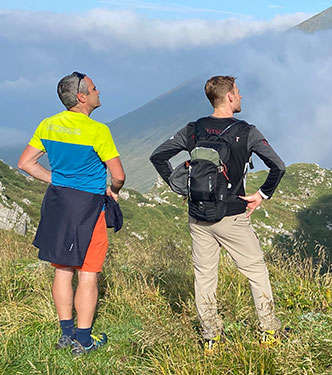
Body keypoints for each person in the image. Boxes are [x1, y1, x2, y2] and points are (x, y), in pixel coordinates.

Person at [149, 75, 286, 352]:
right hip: (233, 215)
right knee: (256, 271)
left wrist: (180, 187)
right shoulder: (247, 131)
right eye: (238, 92)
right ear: (230, 98)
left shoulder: (194, 129)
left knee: (204, 275)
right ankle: (269, 331)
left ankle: (211, 337)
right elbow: (278, 166)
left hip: (198, 215)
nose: (241, 96)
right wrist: (261, 195)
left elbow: (158, 156)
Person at [18, 71, 124, 356]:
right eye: (93, 88)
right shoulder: (98, 131)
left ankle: (66, 334)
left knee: (63, 270)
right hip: (88, 206)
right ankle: (84, 340)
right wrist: (113, 189)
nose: (98, 91)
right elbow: (118, 175)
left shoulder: (48, 124)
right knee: (88, 273)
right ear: (82, 97)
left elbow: (26, 162)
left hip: (57, 202)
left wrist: (55, 178)